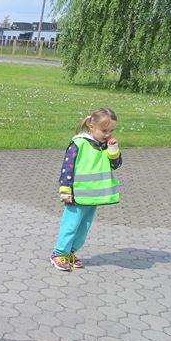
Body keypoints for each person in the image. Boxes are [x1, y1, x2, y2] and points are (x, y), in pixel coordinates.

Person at [50, 107, 122, 271]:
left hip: (93, 195)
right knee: (71, 225)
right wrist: (65, 191)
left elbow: (115, 165)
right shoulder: (79, 143)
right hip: (76, 195)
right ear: (92, 126)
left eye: (111, 130)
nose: (108, 134)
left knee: (84, 226)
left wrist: (113, 150)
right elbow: (67, 168)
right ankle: (59, 253)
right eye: (104, 130)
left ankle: (71, 252)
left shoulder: (105, 146)